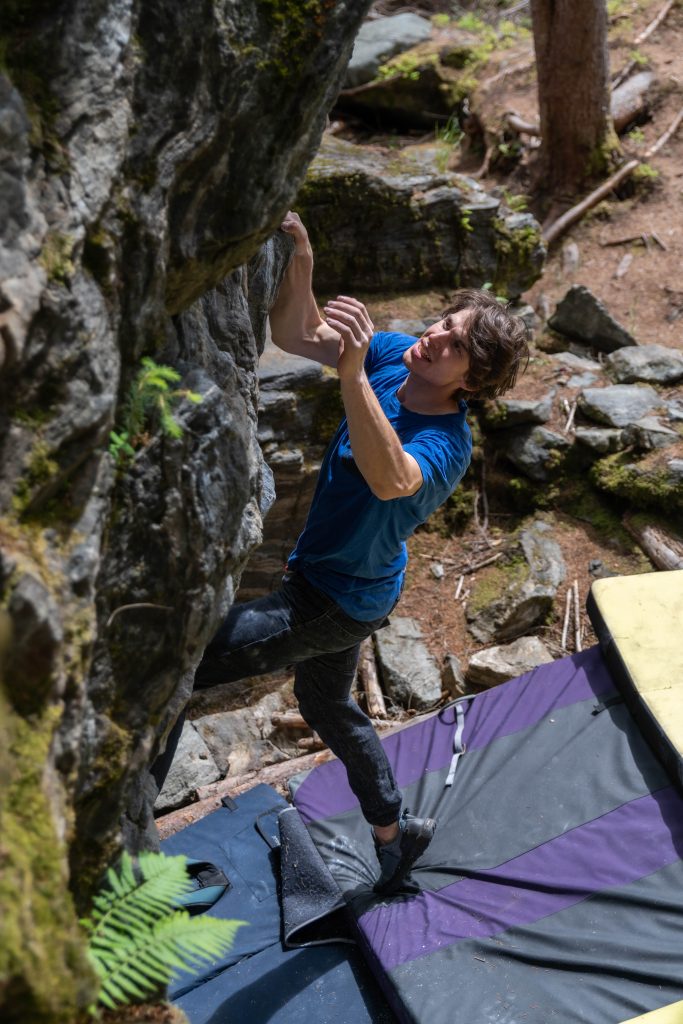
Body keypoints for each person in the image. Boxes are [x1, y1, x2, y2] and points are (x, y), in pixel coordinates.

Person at [153, 211, 529, 895]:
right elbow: (295, 333)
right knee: (327, 707)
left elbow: (390, 479)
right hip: (355, 583)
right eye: (444, 323)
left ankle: (132, 849)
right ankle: (394, 830)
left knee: (177, 670)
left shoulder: (447, 446)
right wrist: (303, 259)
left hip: (332, 600)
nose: (436, 336)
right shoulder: (389, 352)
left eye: (455, 345)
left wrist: (353, 376)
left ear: (469, 382)